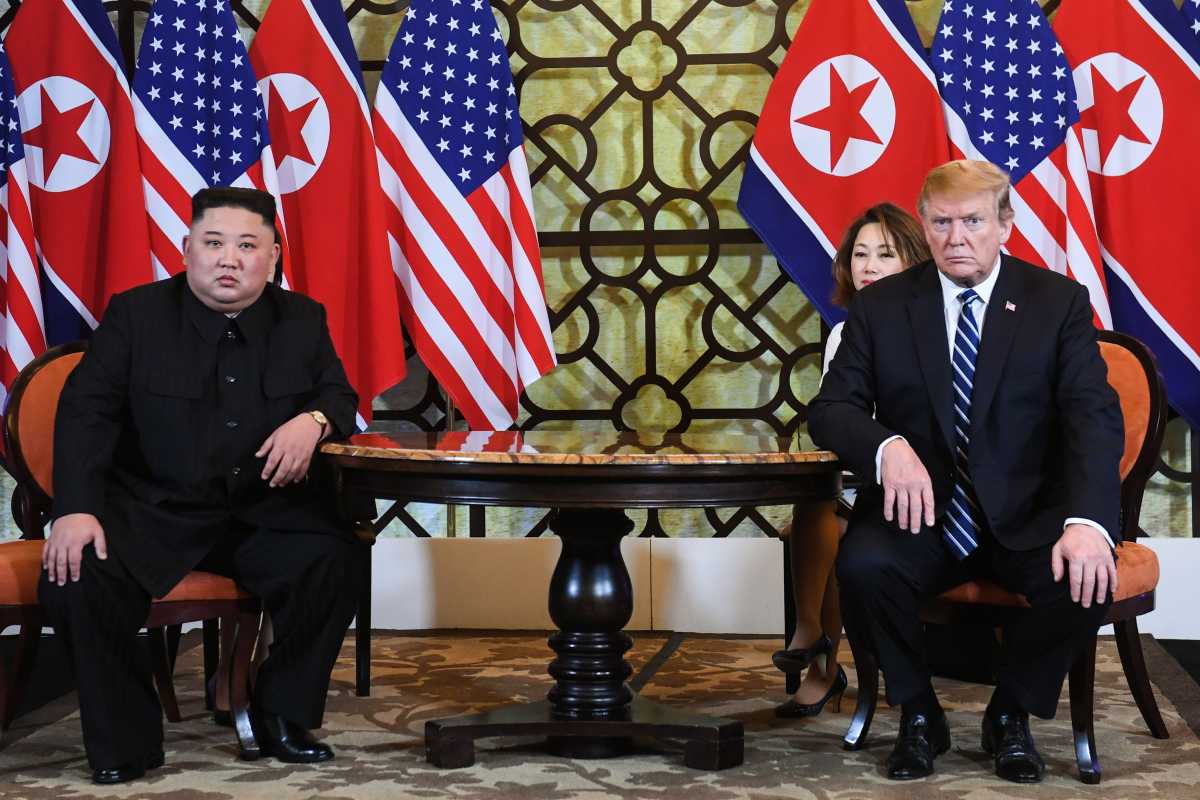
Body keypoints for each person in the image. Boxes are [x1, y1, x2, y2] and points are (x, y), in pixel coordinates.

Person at [809, 160, 1123, 784]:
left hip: (1028, 513)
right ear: (924, 227)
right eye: (943, 222)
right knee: (863, 565)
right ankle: (920, 713)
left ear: (1005, 224)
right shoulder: (881, 307)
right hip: (919, 514)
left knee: (1085, 573)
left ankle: (1011, 713)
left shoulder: (1055, 302)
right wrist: (885, 445)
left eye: (974, 222)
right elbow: (832, 409)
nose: (957, 238)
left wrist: (1088, 520)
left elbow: (1094, 418)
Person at [39, 187, 367, 784]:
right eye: (214, 243)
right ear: (187, 248)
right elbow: (88, 414)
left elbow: (339, 395)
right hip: (156, 512)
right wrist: (75, 510)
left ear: (273, 255)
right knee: (79, 572)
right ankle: (126, 743)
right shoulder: (134, 314)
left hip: (262, 513)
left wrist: (313, 421)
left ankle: (283, 715)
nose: (229, 259)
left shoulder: (302, 318)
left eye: (248, 245)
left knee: (337, 558)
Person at [774, 203, 929, 718]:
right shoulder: (844, 334)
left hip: (918, 486)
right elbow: (837, 421)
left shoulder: (936, 323)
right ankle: (814, 641)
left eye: (885, 253)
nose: (868, 264)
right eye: (860, 253)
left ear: (914, 259)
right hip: (862, 478)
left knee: (836, 528)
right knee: (814, 504)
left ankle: (820, 657)